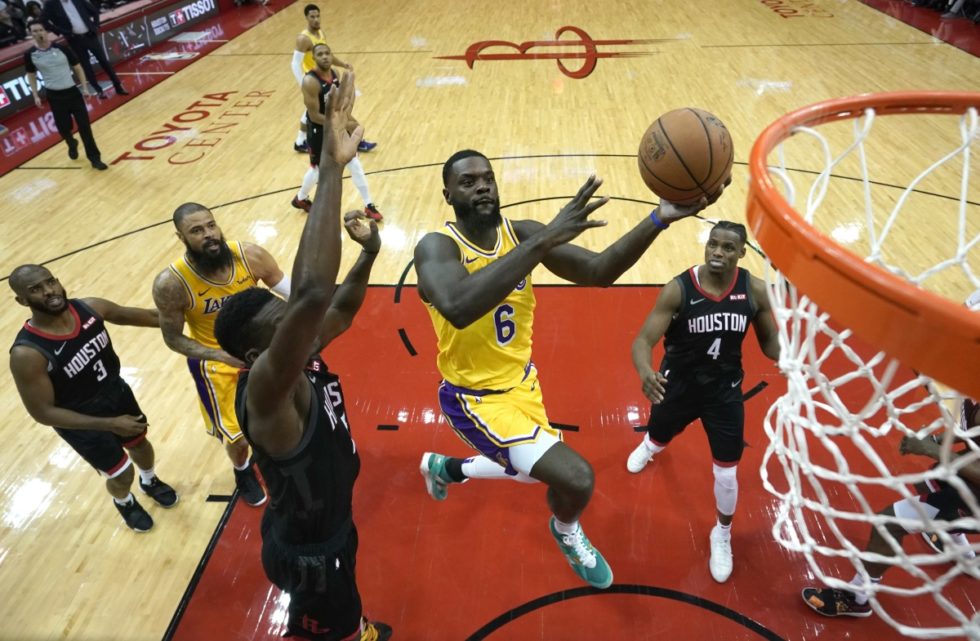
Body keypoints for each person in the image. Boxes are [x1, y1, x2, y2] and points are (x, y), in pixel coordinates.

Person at [414, 149, 723, 589]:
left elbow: (599, 271)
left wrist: (661, 218)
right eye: (468, 181)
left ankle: (446, 469)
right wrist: (542, 242)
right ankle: (566, 530)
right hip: (474, 399)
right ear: (448, 195)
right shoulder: (435, 246)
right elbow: (459, 306)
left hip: (522, 385)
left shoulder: (521, 234)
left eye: (488, 178)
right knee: (576, 478)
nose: (482, 186)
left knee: (523, 470)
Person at [213, 70, 391, 641]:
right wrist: (333, 165)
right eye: (279, 319)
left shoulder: (292, 357)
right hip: (310, 554)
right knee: (320, 631)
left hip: (330, 529)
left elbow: (337, 311)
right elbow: (315, 294)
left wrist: (368, 256)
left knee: (346, 604)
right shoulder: (265, 389)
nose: (294, 319)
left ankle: (350, 625)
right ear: (252, 350)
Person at [802, 291, 980, 618]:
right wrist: (941, 437)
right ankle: (964, 552)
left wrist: (932, 449)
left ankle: (857, 599)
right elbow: (972, 429)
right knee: (934, 483)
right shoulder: (972, 377)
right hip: (968, 485)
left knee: (888, 523)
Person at [625, 221, 780, 584]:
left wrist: (790, 356)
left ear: (742, 254)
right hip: (676, 386)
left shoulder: (754, 291)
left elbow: (770, 342)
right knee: (660, 434)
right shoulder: (678, 290)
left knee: (727, 472)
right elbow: (642, 341)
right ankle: (650, 445)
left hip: (724, 393)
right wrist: (646, 372)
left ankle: (722, 534)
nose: (717, 253)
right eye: (713, 245)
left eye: (728, 248)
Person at [8, 265, 177, 532]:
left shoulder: (91, 308)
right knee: (121, 473)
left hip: (115, 392)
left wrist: (197, 314)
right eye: (36, 290)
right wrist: (110, 424)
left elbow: (148, 316)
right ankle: (124, 501)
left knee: (141, 445)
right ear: (22, 300)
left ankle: (150, 480)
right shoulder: (27, 354)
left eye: (50, 282)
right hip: (79, 418)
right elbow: (43, 413)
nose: (49, 291)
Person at [151, 204, 289, 507]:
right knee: (238, 436)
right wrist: (219, 355)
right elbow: (173, 339)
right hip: (218, 363)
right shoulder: (172, 283)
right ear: (181, 237)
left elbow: (289, 293)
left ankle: (281, 454)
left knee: (284, 412)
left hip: (263, 352)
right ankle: (242, 471)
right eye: (197, 231)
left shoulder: (249, 255)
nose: (209, 235)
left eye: (211, 226)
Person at [292, 42, 382, 223]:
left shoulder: (335, 74)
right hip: (319, 129)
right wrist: (339, 123)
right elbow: (314, 114)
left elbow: (340, 103)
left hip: (335, 126)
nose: (325, 57)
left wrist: (347, 118)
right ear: (314, 58)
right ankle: (301, 198)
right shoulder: (310, 81)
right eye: (320, 54)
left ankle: (369, 204)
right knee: (317, 169)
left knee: (354, 162)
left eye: (327, 53)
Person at [290, 3, 374, 155]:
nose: (316, 19)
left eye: (317, 16)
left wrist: (342, 64)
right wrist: (303, 82)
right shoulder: (303, 39)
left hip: (323, 77)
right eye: (312, 17)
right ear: (306, 18)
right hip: (313, 80)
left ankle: (300, 141)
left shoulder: (320, 33)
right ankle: (355, 139)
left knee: (315, 111)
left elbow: (327, 54)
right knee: (335, 109)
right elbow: (295, 63)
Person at [24, 20, 107, 170]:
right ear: (31, 34)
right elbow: (31, 75)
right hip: (55, 96)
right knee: (64, 128)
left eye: (40, 30)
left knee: (85, 128)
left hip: (72, 93)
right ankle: (71, 142)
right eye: (34, 31)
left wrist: (85, 87)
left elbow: (78, 67)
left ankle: (95, 158)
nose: (38, 33)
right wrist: (35, 95)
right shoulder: (30, 54)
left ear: (46, 31)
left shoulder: (61, 48)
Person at [40, 0, 128, 98]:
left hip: (90, 35)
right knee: (86, 66)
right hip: (75, 39)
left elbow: (94, 11)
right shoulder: (51, 4)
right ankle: (99, 91)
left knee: (104, 61)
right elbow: (43, 20)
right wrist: (60, 31)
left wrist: (95, 25)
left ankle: (118, 85)